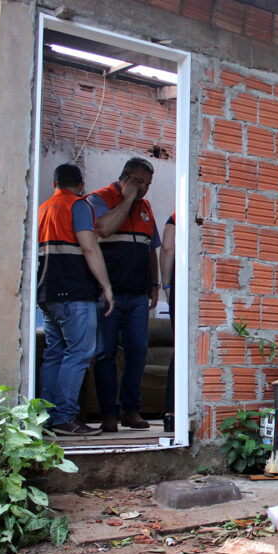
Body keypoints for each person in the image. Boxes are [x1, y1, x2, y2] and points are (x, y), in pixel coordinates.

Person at [37, 163, 114, 436]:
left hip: (47, 292)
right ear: (81, 184)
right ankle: (65, 418)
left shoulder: (43, 208)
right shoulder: (78, 205)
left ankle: (45, 419)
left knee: (54, 354)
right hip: (74, 292)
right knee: (79, 353)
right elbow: (90, 247)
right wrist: (106, 286)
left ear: (55, 183)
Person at [87, 157, 161, 432]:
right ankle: (109, 414)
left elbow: (150, 248)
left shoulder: (146, 208)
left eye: (148, 184)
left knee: (138, 353)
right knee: (105, 354)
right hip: (107, 295)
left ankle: (132, 410)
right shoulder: (98, 199)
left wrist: (154, 286)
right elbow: (103, 229)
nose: (144, 188)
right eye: (139, 182)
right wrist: (127, 200)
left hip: (138, 296)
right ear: (125, 177)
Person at [160, 212, 176, 429]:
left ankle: (171, 413)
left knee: (180, 349)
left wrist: (166, 284)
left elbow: (167, 247)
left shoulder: (175, 215)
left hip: (181, 282)